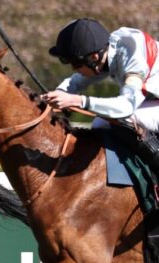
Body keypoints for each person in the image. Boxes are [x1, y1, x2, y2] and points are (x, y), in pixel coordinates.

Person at [43, 18, 159, 174]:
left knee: (124, 118)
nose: (73, 69)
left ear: (94, 58)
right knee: (99, 123)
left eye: (76, 64)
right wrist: (58, 93)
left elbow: (126, 107)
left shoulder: (133, 61)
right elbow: (76, 82)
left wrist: (77, 100)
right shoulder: (107, 51)